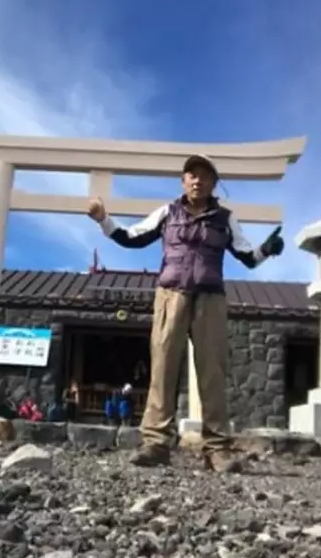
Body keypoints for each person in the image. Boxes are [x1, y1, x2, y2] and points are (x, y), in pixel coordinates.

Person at [87, 154, 284, 472]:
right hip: (170, 294)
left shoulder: (225, 218)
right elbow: (131, 238)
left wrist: (267, 250)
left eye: (204, 175)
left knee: (212, 371)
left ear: (213, 183)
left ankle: (216, 449)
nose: (197, 180)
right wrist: (103, 219)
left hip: (210, 297)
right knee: (162, 366)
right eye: (191, 174)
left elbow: (247, 257)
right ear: (183, 181)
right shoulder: (167, 213)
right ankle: (156, 444)